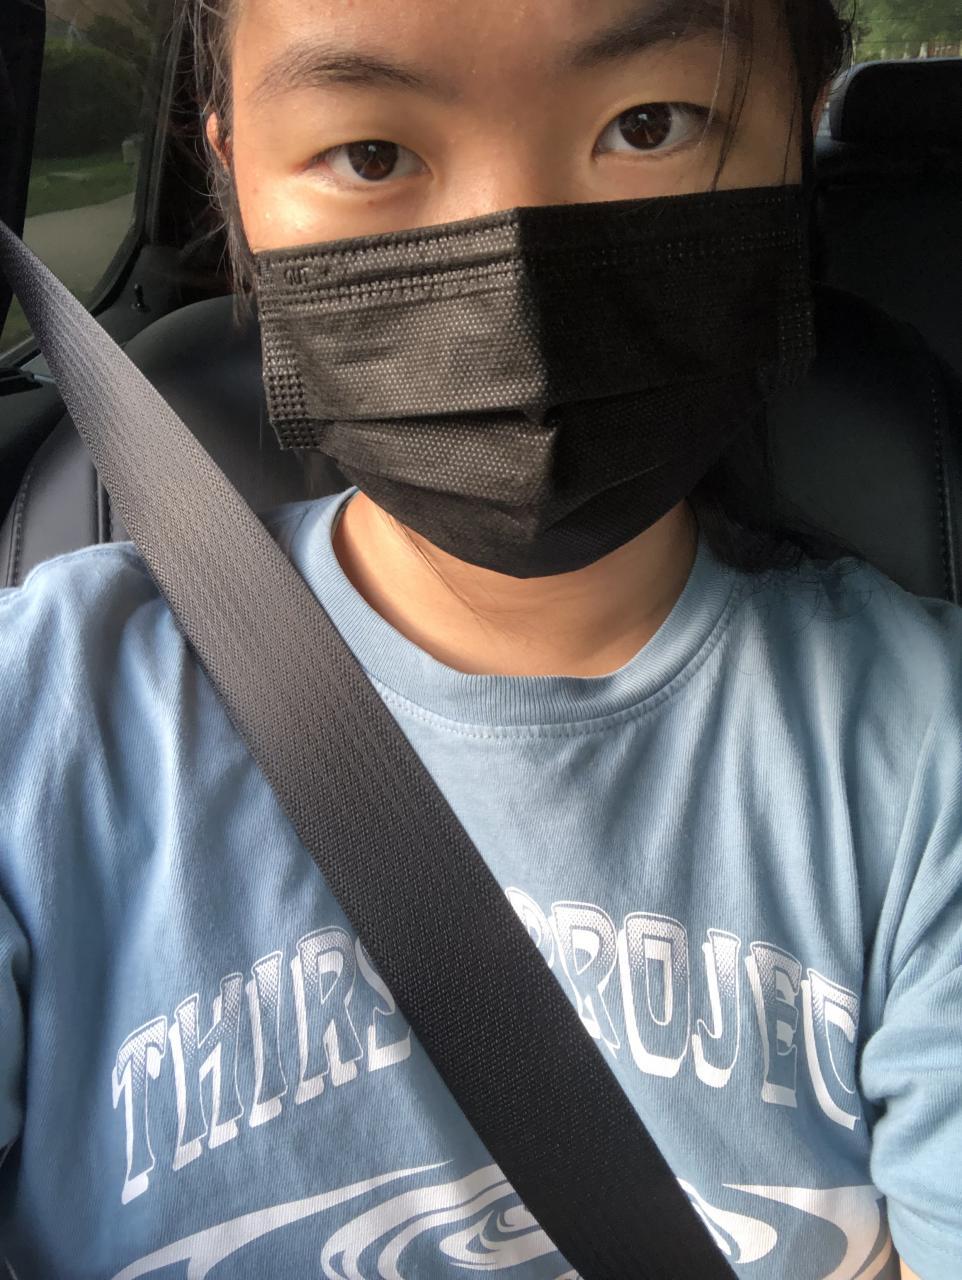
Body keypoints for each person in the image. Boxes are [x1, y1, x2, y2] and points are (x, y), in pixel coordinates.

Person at [0, 0, 958, 1275]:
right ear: (235, 177)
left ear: (799, 129)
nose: (516, 271)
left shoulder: (926, 752)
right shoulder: (40, 706)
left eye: (649, 125)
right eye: (371, 154)